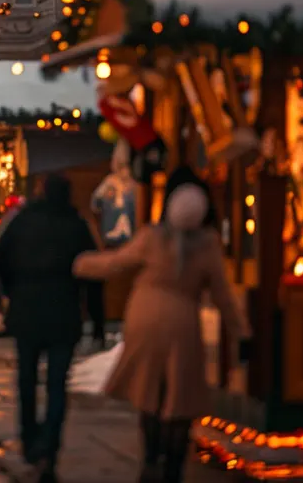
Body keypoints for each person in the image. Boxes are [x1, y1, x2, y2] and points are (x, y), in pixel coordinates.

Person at [74, 168, 247, 483]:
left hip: (144, 316)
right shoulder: (207, 244)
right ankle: (173, 466)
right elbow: (222, 295)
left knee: (148, 390)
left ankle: (151, 458)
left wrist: (79, 263)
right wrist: (241, 332)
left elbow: (115, 263)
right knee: (180, 397)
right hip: (183, 322)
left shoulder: (152, 237)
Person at [0, 174, 97, 481]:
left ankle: (29, 440)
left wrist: (11, 292)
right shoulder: (76, 225)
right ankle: (50, 446)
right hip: (64, 311)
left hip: (27, 310)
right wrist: (96, 318)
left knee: (26, 378)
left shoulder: (22, 222)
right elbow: (92, 271)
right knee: (56, 385)